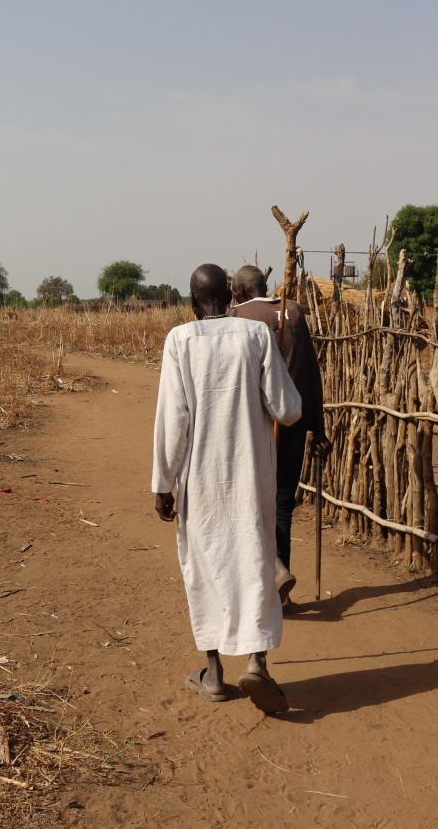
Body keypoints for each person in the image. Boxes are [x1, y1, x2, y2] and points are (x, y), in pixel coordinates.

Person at [152, 263, 301, 713]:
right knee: (254, 564)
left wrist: (162, 483)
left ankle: (214, 674)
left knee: (206, 567)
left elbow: (172, 420)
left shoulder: (180, 340)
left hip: (199, 479)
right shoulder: (254, 337)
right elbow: (286, 408)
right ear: (230, 300)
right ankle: (257, 664)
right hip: (250, 476)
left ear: (193, 304)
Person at [229, 265, 331, 604]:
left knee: (249, 501)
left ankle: (261, 584)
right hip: (293, 420)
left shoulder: (237, 315)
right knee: (282, 502)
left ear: (240, 292)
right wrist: (318, 425)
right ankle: (279, 588)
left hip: (255, 423)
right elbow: (310, 371)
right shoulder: (295, 311)